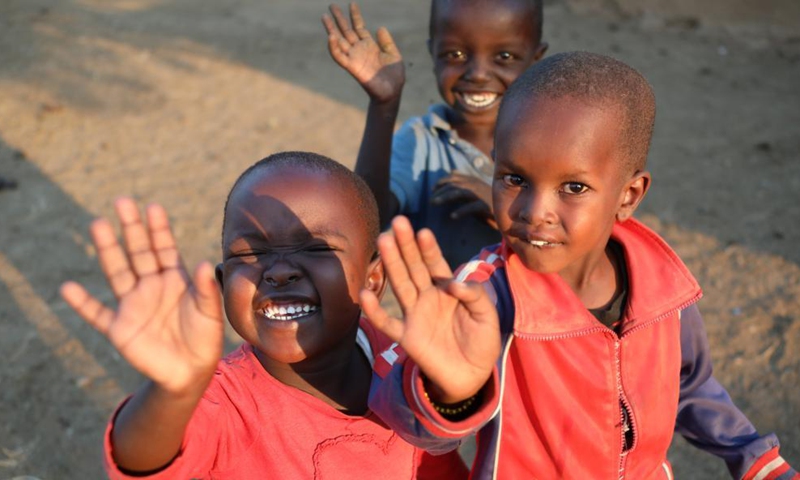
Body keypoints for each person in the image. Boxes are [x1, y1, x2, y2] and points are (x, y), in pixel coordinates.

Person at [360, 53, 799, 479]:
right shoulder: (485, 296)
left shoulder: (663, 287)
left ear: (628, 196)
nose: (535, 211)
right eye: (515, 179)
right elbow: (414, 429)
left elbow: (689, 386)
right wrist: (446, 392)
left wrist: (752, 457)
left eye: (573, 186)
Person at [60, 152, 468, 479]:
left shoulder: (400, 355)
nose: (278, 271)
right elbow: (141, 461)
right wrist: (175, 393)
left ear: (372, 277)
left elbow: (442, 443)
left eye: (315, 248)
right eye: (249, 254)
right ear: (222, 282)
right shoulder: (225, 402)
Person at [322, 0, 548, 267]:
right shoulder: (421, 142)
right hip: (445, 307)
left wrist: (505, 210)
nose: (477, 74)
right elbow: (368, 221)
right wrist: (384, 104)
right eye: (456, 55)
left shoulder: (552, 140)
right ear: (433, 54)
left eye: (505, 57)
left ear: (536, 59)